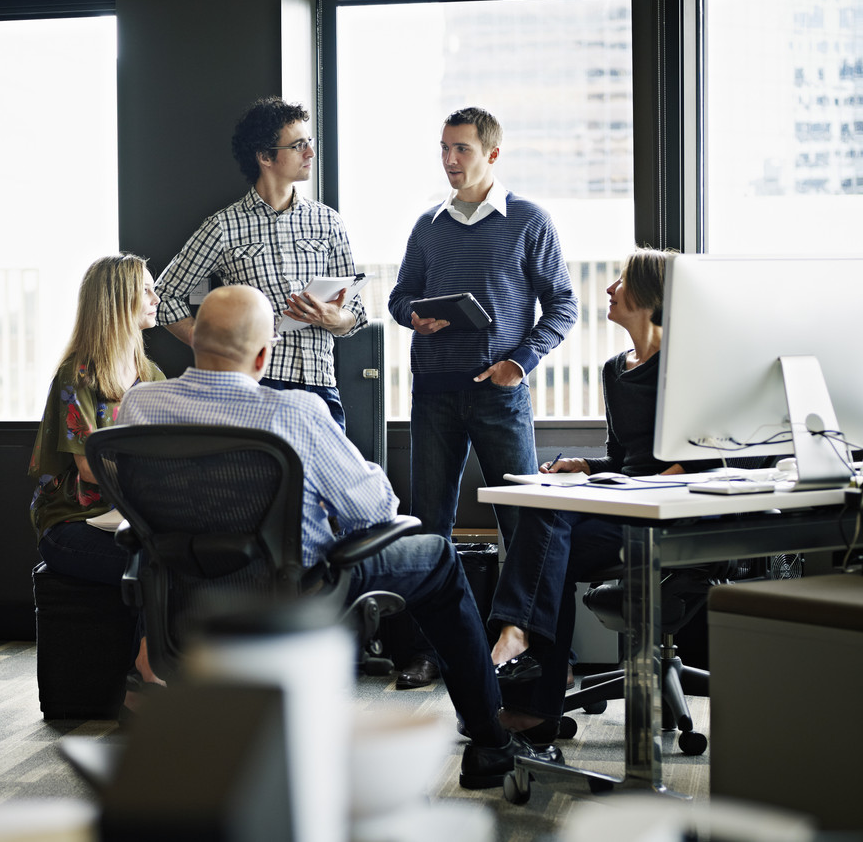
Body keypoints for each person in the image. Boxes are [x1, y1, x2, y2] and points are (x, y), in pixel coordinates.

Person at [118, 284, 558, 787]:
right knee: (436, 555)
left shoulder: (140, 406)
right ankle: (489, 743)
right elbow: (375, 510)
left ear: (194, 338)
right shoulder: (295, 412)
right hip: (297, 595)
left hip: (184, 596)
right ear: (265, 354)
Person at [387, 106, 579, 688]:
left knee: (524, 524)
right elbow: (400, 299)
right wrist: (415, 317)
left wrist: (520, 363)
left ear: (492, 154)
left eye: (462, 149)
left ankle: (537, 654)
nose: (449, 160)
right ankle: (428, 651)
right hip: (436, 396)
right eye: (444, 148)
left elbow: (564, 305)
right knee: (428, 528)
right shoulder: (429, 226)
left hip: (500, 396)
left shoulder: (528, 220)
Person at [488, 248, 709, 745]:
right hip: (622, 505)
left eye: (622, 281)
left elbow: (701, 458)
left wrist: (637, 485)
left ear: (652, 297)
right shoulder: (615, 369)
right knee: (548, 530)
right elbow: (625, 457)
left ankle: (524, 675)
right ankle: (534, 692)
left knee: (548, 537)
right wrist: (587, 467)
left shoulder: (689, 365)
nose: (610, 289)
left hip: (664, 513)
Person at [152, 95, 367, 429]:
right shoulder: (223, 226)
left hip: (321, 390)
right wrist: (205, 341)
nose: (310, 152)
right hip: (255, 389)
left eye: (309, 142)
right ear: (265, 157)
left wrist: (334, 317)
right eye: (298, 146)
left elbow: (357, 314)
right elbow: (164, 296)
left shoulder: (329, 222)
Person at [29, 253, 165, 689]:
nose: (155, 296)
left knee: (178, 559)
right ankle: (144, 679)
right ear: (117, 300)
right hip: (73, 524)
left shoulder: (152, 375)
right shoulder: (77, 377)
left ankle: (156, 674)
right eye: (145, 289)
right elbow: (91, 470)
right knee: (157, 567)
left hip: (129, 519)